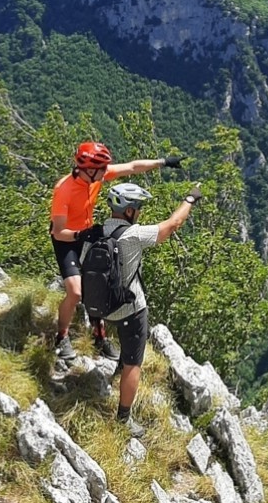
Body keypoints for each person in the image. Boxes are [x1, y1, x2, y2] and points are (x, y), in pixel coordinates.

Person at [82, 180, 202, 436]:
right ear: (128, 211)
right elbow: (173, 225)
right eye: (138, 208)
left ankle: (115, 363)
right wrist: (190, 200)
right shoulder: (134, 235)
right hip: (130, 309)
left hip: (101, 308)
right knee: (134, 362)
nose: (140, 212)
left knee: (124, 347)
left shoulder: (94, 233)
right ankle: (124, 418)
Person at [49, 141, 183, 363]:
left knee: (99, 281)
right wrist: (80, 236)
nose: (104, 173)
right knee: (76, 292)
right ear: (88, 169)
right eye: (100, 169)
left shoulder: (96, 176)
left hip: (87, 234)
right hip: (68, 240)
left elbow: (131, 167)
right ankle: (61, 337)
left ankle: (99, 336)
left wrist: (163, 162)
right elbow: (58, 231)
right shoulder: (63, 190)